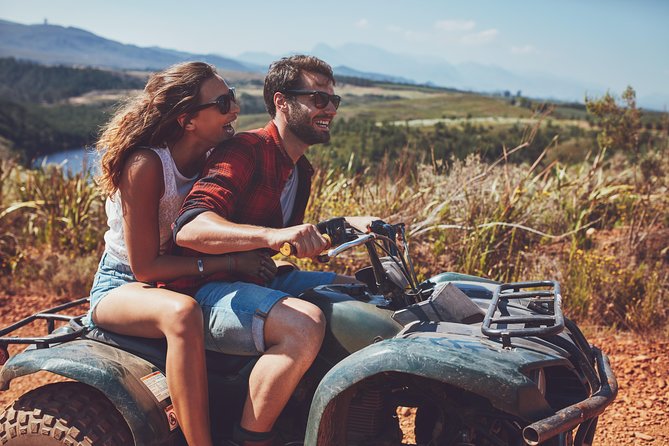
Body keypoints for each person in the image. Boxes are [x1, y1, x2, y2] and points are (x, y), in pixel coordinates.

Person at [171, 55, 376, 446]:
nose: (329, 109)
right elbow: (191, 227)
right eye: (318, 99)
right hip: (203, 287)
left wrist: (344, 225)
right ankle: (250, 438)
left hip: (254, 277)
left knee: (357, 295)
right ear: (281, 102)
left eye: (334, 101)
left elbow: (289, 239)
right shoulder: (246, 150)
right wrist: (270, 237)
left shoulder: (300, 170)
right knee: (304, 324)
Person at [86, 61, 271, 446]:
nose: (234, 110)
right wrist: (231, 262)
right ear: (188, 120)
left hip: (180, 276)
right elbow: (144, 267)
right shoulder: (147, 164)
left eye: (232, 98)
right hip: (123, 284)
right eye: (223, 103)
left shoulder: (211, 159)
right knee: (183, 314)